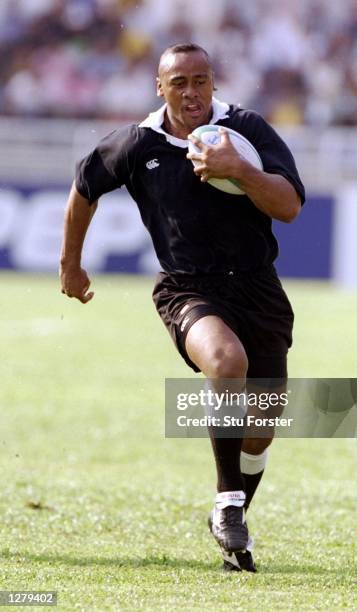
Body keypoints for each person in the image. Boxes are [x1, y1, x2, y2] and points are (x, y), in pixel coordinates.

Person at [60, 42, 305, 572]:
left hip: (260, 288)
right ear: (160, 88)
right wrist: (70, 265)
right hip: (187, 287)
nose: (192, 93)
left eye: (201, 80)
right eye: (179, 83)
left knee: (263, 424)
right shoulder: (136, 143)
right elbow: (84, 189)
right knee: (225, 360)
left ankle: (231, 530)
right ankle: (228, 501)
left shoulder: (246, 130)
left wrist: (237, 168)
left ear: (213, 83)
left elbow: (288, 206)